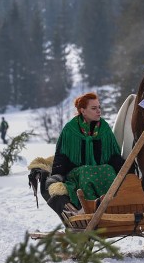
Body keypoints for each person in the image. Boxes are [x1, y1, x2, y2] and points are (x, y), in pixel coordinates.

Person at [37, 93, 124, 221]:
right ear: (83, 111)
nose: (99, 111)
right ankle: (89, 208)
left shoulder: (104, 128)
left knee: (109, 169)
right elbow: (61, 155)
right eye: (94, 108)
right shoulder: (70, 129)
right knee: (85, 171)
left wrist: (127, 171)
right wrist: (57, 176)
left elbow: (113, 155)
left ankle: (112, 205)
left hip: (101, 170)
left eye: (99, 107)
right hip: (76, 173)